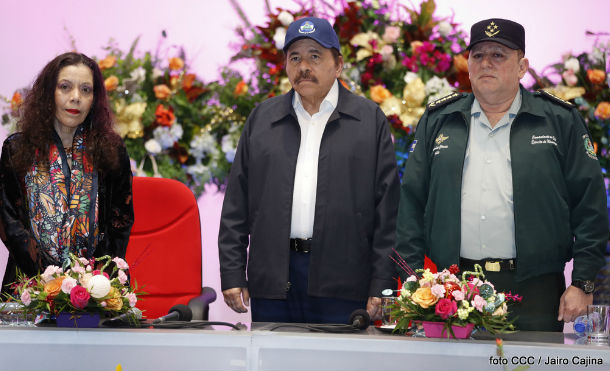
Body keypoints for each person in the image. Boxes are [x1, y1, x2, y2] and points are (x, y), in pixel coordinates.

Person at [396, 18, 608, 331]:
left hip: (534, 290)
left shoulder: (557, 120)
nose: (486, 63)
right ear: (467, 64)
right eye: (478, 55)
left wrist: (584, 282)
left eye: (498, 55)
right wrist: (415, 279)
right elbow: (411, 204)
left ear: (522, 66)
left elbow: (590, 205)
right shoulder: (440, 120)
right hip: (453, 287)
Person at [219, 17, 400, 324]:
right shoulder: (263, 119)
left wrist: (383, 282)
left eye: (315, 56)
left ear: (338, 64)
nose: (304, 66)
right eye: (295, 58)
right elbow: (236, 203)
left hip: (343, 283)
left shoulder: (368, 120)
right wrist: (232, 271)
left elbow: (389, 213)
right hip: (273, 282)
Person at [0, 52, 134, 294]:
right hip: (30, 288)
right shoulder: (17, 149)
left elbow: (119, 222)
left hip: (97, 288)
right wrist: (52, 281)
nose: (76, 98)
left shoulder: (111, 150)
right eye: (65, 87)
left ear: (94, 99)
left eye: (86, 90)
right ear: (48, 93)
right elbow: (9, 224)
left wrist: (92, 281)